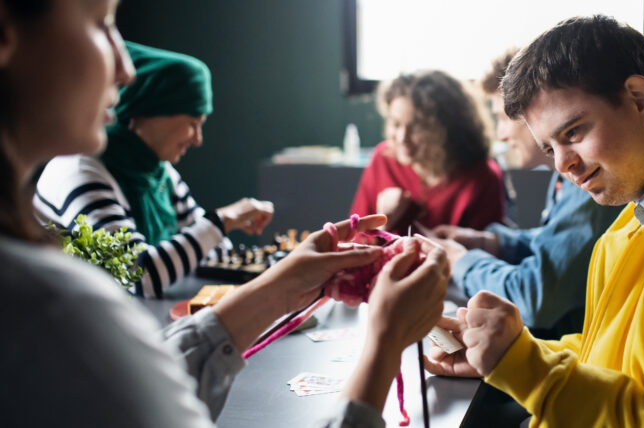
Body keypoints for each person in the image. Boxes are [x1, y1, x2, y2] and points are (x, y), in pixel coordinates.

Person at [0, 1, 449, 426]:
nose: (125, 68)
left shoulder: (150, 182)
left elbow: (157, 383)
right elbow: (146, 272)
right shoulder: (52, 308)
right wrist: (385, 344)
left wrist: (281, 284)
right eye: (101, 23)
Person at [425, 15, 644, 426]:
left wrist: (527, 367)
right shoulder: (643, 213)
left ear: (639, 99)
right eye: (549, 149)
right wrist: (505, 356)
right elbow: (612, 354)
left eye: (573, 133)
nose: (564, 165)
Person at [33, 41, 274, 299]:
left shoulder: (159, 171)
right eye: (193, 123)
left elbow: (207, 249)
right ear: (150, 111)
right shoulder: (80, 171)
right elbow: (136, 276)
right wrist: (224, 220)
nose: (197, 139)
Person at [432, 48, 622, 338]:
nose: (501, 135)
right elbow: (558, 245)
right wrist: (492, 243)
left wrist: (461, 262)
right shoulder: (562, 178)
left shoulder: (586, 181)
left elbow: (536, 298)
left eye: (504, 119)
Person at [350, 70, 505, 235]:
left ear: (445, 129)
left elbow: (485, 255)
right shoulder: (382, 160)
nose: (402, 138)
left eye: (417, 127)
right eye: (395, 124)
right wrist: (382, 224)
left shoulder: (482, 178)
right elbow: (355, 241)